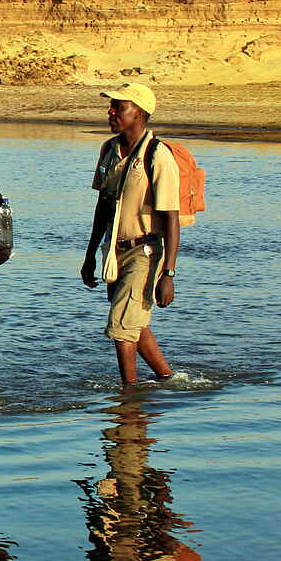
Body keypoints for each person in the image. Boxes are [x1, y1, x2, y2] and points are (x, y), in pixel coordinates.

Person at [81, 82, 181, 388]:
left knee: (122, 325)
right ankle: (167, 378)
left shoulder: (157, 155)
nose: (111, 112)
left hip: (145, 250)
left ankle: (129, 395)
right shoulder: (109, 150)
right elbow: (102, 206)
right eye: (111, 106)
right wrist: (89, 257)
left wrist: (168, 273)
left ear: (139, 113)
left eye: (119, 107)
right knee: (133, 320)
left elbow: (171, 218)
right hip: (114, 251)